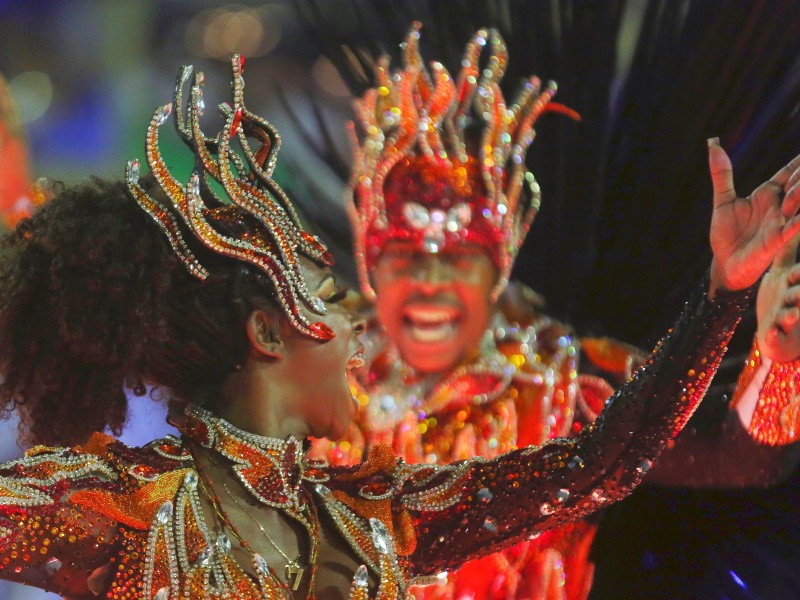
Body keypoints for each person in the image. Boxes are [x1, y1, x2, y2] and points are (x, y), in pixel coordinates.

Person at [0, 55, 796, 600]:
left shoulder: (382, 510)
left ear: (503, 262)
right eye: (337, 295)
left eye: (460, 257)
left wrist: (725, 294)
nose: (356, 320)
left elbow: (602, 465)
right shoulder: (136, 508)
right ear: (271, 333)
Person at [311, 25, 638, 599]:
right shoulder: (310, 375)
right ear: (369, 265)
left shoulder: (562, 382)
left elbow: (737, 457)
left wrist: (751, 324)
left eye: (460, 258)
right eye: (406, 255)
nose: (430, 285)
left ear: (499, 268)